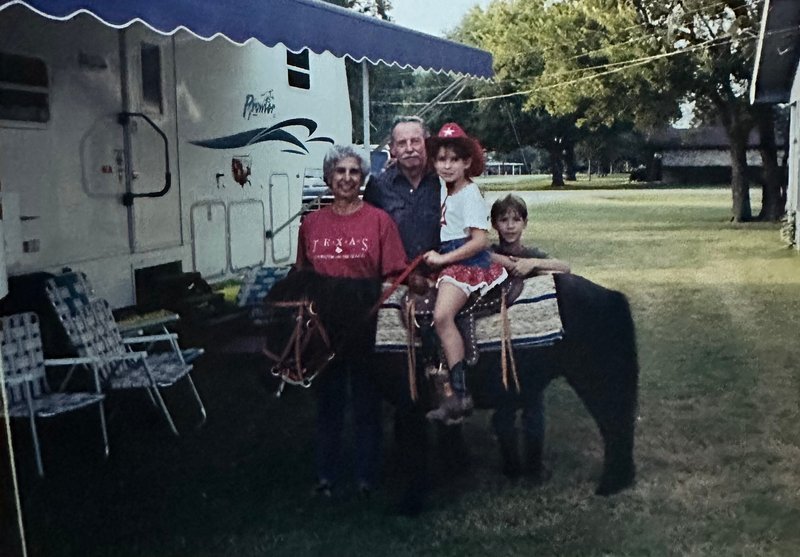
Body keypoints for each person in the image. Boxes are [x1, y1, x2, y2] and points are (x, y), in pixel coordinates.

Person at [295, 144, 408, 497]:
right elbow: (302, 275)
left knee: (365, 403)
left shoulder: (379, 220)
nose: (346, 178)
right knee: (328, 403)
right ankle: (326, 475)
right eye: (340, 171)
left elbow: (394, 273)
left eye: (354, 172)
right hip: (324, 328)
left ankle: (365, 477)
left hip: (364, 323)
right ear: (329, 178)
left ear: (362, 179)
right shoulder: (311, 223)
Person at [422, 122, 508, 423]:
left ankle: (459, 394)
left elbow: (479, 241)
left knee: (442, 316)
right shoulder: (445, 191)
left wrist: (443, 259)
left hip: (467, 262)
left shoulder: (469, 193)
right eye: (441, 159)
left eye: (454, 159)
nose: (447, 166)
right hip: (451, 258)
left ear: (467, 162)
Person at [488, 194, 570, 479]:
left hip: (530, 342)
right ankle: (510, 464)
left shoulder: (531, 253)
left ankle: (534, 465)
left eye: (516, 219)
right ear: (494, 224)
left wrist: (531, 264)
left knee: (533, 401)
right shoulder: (489, 251)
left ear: (524, 223)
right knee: (504, 404)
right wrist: (506, 263)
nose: (510, 226)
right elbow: (478, 255)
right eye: (503, 220)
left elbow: (565, 267)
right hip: (498, 340)